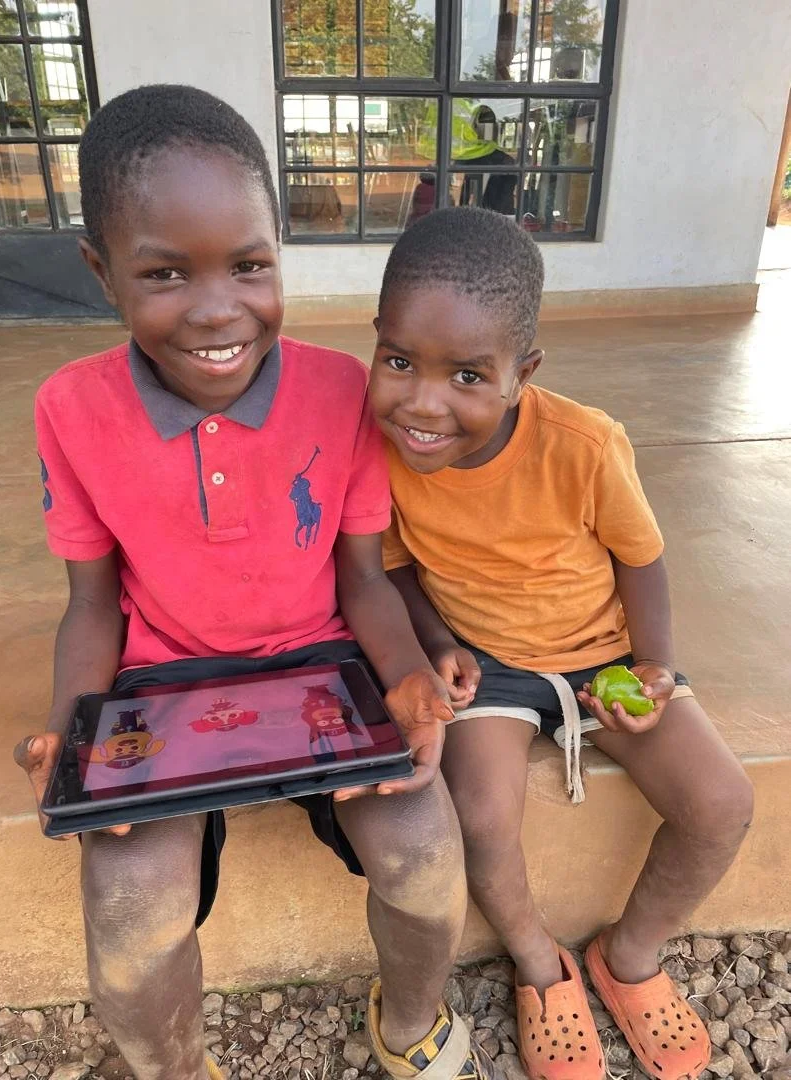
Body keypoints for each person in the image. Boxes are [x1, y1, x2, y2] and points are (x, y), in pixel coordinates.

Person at [14, 87, 496, 1080]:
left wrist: (406, 676)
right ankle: (177, 1068)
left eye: (249, 265)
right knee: (126, 905)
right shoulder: (70, 409)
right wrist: (75, 736)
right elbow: (92, 604)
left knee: (422, 850)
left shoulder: (340, 391)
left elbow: (363, 580)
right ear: (102, 272)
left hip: (323, 673)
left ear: (281, 252)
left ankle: (410, 1023)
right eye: (164, 273)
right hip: (159, 686)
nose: (217, 309)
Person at [367, 206, 754, 1080]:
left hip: (604, 651)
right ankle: (540, 961)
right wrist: (436, 642)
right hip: (489, 667)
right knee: (480, 817)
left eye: (469, 375)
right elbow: (392, 569)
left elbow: (640, 558)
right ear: (377, 338)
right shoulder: (378, 448)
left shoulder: (584, 444)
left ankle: (632, 955)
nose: (423, 403)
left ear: (522, 373)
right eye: (399, 361)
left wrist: (653, 666)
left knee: (722, 804)